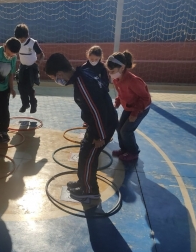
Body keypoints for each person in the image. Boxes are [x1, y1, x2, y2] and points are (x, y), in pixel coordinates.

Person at [45, 53, 118, 200]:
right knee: (84, 153)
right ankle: (83, 182)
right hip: (99, 123)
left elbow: (96, 110)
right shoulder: (83, 73)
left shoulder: (82, 84)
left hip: (103, 125)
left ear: (59, 73)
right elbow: (97, 101)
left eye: (54, 78)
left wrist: (99, 136)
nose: (56, 81)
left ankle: (90, 190)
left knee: (89, 158)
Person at [107, 50, 151, 161]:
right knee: (119, 127)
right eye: (109, 71)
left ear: (122, 68)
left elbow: (145, 98)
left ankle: (133, 152)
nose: (110, 73)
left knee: (126, 131)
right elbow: (121, 94)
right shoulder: (117, 79)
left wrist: (135, 113)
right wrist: (117, 102)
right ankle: (124, 149)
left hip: (140, 108)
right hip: (129, 107)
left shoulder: (134, 81)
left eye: (112, 71)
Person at [14, 24, 44, 113]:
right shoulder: (17, 43)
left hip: (32, 68)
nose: (21, 40)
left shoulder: (33, 43)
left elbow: (41, 54)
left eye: (23, 38)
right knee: (20, 87)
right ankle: (25, 104)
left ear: (27, 35)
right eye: (19, 38)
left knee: (29, 88)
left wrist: (38, 62)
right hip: (22, 67)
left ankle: (33, 103)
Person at [81, 45, 110, 127]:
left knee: (99, 107)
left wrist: (104, 90)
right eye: (91, 59)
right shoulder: (84, 67)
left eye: (96, 59)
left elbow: (105, 81)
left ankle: (100, 121)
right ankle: (86, 120)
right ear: (88, 56)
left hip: (99, 92)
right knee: (86, 107)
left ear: (100, 58)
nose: (93, 61)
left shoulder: (102, 67)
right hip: (88, 92)